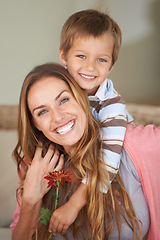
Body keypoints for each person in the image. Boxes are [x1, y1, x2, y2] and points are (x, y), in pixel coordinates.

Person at [10, 63, 160, 240]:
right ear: (36, 124)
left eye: (64, 100)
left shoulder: (134, 144)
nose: (58, 117)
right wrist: (29, 201)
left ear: (82, 97)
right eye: (42, 112)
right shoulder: (35, 165)